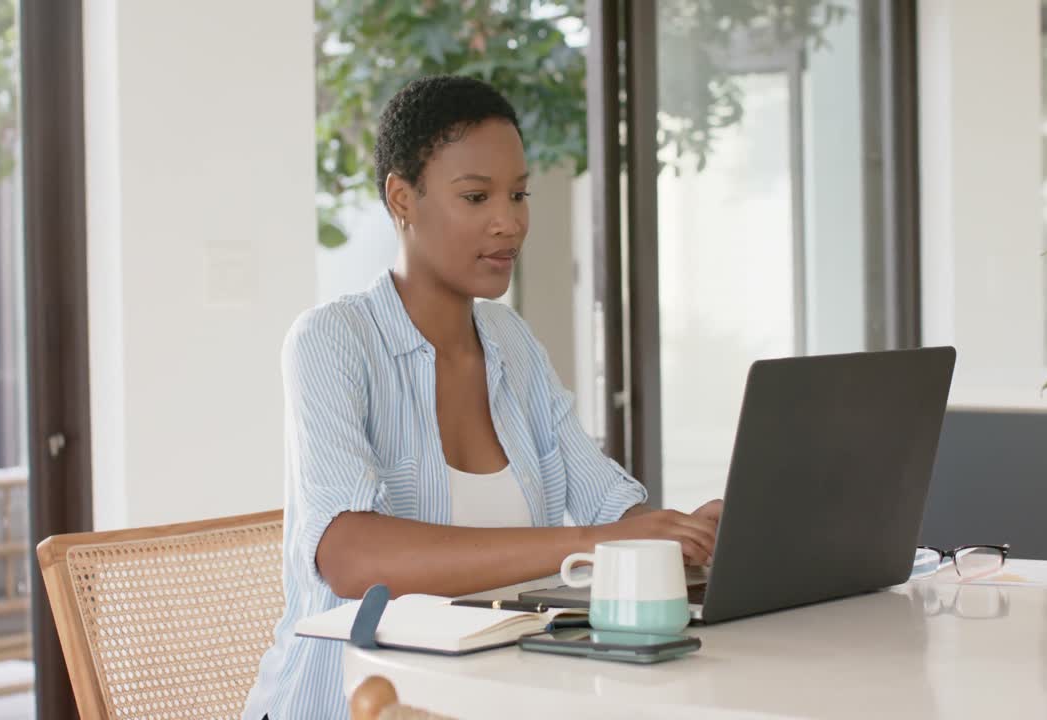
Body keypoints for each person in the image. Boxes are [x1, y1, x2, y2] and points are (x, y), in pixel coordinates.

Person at [243, 74, 722, 720]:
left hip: (499, 700)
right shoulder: (332, 341)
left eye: (519, 194)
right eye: (477, 197)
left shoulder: (511, 343)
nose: (510, 222)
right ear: (401, 198)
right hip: (358, 704)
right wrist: (583, 543)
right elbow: (351, 556)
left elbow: (612, 510)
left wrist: (689, 533)